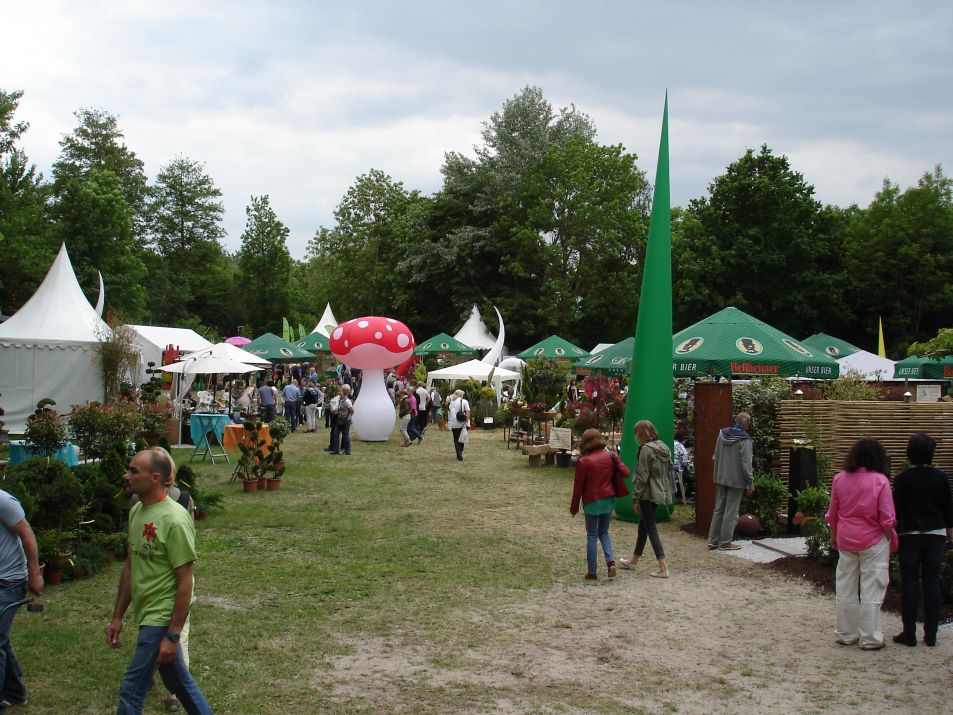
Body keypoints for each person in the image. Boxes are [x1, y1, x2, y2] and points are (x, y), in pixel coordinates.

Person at [107, 449, 213, 714]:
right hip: (146, 614)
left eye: (134, 471)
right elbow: (131, 566)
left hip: (160, 618)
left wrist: (173, 634)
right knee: (182, 684)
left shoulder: (175, 520)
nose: (126, 476)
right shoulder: (136, 511)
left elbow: (185, 582)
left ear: (155, 478)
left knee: (131, 691)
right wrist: (117, 616)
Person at [825, 439, 897, 651]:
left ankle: (846, 633)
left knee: (845, 587)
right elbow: (887, 518)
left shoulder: (840, 479)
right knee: (872, 589)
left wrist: (834, 535)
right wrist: (889, 538)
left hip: (846, 539)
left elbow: (833, 514)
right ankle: (870, 638)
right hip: (874, 541)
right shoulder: (880, 481)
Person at [891, 432, 953, 647]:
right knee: (932, 582)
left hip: (910, 534)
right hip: (935, 533)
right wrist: (949, 530)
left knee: (909, 583)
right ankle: (932, 634)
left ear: (910, 453)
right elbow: (948, 507)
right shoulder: (941, 477)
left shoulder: (903, 478)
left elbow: (896, 509)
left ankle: (909, 634)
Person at [0, 486, 43, 711]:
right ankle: (15, 693)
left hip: (9, 581)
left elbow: (26, 533)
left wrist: (34, 574)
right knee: (1, 638)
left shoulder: (3, 500)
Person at [570, 428, 628, 580]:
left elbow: (578, 487)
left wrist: (574, 506)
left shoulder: (584, 461)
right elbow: (626, 473)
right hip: (608, 499)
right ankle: (611, 562)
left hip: (592, 502)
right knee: (604, 532)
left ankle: (592, 572)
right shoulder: (611, 456)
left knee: (592, 535)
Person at [620, 420, 672, 578]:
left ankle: (663, 567)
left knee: (650, 528)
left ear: (640, 434)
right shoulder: (663, 446)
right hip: (661, 490)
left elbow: (642, 477)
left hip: (647, 493)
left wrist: (635, 498)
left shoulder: (645, 449)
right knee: (643, 527)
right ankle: (633, 561)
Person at [707, 412, 754, 551]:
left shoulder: (722, 434)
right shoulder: (745, 439)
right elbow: (746, 463)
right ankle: (725, 542)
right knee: (731, 511)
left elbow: (716, 456)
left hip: (721, 477)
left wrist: (716, 476)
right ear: (747, 425)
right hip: (736, 479)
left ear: (735, 421)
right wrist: (750, 482)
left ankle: (713, 540)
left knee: (719, 508)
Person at [329, 385, 353, 455]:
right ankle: (336, 450)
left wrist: (347, 417)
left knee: (345, 436)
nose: (339, 392)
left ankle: (347, 451)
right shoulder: (341, 400)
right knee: (335, 434)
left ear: (344, 392)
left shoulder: (347, 401)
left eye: (341, 391)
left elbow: (352, 411)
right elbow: (341, 410)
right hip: (339, 420)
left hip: (345, 421)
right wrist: (335, 411)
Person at [447, 389, 470, 461]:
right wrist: (467, 420)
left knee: (456, 439)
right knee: (462, 439)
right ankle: (460, 452)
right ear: (461, 395)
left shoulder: (452, 402)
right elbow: (468, 411)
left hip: (453, 423)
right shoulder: (464, 401)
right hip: (462, 423)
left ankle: (458, 453)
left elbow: (449, 410)